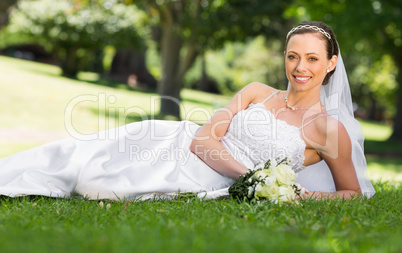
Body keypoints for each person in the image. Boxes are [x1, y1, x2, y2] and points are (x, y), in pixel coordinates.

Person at [0, 21, 375, 201]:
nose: (299, 68)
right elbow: (202, 139)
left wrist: (296, 194)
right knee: (86, 154)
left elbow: (351, 194)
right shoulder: (257, 92)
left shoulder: (328, 130)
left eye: (312, 58)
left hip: (211, 180)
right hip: (179, 143)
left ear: (330, 64)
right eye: (293, 56)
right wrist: (252, 178)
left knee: (99, 187)